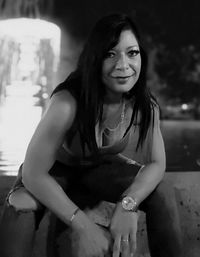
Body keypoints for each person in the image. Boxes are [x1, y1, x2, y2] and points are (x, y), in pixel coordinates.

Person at [0, 13, 182, 257]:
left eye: (132, 53)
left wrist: (128, 204)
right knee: (20, 205)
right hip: (55, 173)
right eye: (110, 54)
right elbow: (34, 173)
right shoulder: (67, 103)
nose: (123, 65)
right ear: (95, 59)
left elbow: (157, 163)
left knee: (161, 191)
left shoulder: (144, 105)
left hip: (100, 171)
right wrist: (84, 227)